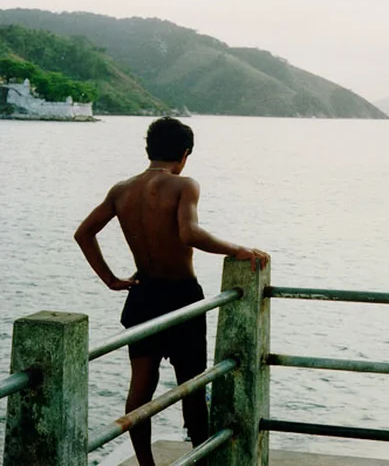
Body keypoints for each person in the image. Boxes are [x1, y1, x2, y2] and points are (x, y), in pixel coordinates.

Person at [74, 117, 269, 466]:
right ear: (185, 153)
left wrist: (110, 279)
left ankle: (146, 464)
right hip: (180, 297)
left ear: (149, 150)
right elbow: (189, 233)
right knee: (192, 386)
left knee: (141, 388)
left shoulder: (122, 190)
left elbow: (84, 233)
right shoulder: (183, 185)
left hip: (143, 294)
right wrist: (237, 249)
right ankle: (200, 456)